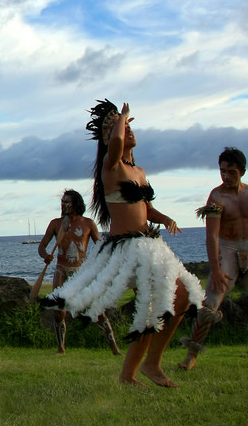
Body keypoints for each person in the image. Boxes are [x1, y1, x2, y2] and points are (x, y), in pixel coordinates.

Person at [42, 100, 204, 386]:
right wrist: (122, 117)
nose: (127, 130)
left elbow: (146, 208)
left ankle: (133, 372)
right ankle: (147, 366)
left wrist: (165, 219)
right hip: (126, 250)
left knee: (178, 299)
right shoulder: (111, 165)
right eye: (122, 127)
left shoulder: (138, 171)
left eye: (129, 125)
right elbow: (115, 140)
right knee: (161, 301)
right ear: (109, 136)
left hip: (148, 244)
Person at [179, 147, 248, 370]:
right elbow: (212, 236)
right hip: (227, 249)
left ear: (242, 171)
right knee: (210, 304)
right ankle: (191, 356)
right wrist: (215, 269)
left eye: (231, 172)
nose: (225, 176)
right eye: (222, 171)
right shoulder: (217, 196)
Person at [33, 190, 122, 355]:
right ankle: (61, 349)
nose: (64, 205)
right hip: (61, 271)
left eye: (67, 202)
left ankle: (114, 348)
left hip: (82, 272)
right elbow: (42, 246)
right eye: (62, 202)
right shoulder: (55, 224)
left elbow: (100, 246)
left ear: (77, 204)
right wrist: (46, 255)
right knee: (59, 312)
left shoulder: (88, 224)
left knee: (97, 309)